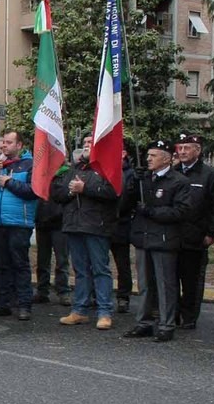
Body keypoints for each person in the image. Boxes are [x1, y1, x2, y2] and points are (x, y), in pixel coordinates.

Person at [123, 139, 192, 343]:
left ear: (167, 158)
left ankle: (166, 324)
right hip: (144, 237)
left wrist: (152, 212)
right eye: (148, 155)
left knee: (165, 285)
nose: (149, 159)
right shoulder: (145, 179)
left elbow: (181, 211)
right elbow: (127, 204)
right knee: (145, 284)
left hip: (164, 239)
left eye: (153, 155)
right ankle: (143, 322)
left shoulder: (178, 181)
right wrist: (132, 184)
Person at [51, 134, 122, 330]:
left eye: (90, 143)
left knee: (100, 269)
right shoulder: (74, 169)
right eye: (84, 144)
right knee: (80, 271)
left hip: (96, 226)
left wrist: (85, 188)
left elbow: (113, 193)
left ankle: (104, 311)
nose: (86, 146)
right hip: (74, 225)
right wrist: (70, 192)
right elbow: (57, 194)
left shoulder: (107, 168)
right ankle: (79, 310)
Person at [172, 130, 214, 329]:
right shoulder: (174, 172)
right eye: (180, 148)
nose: (183, 152)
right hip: (174, 234)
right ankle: (173, 313)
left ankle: (190, 316)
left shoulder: (210, 175)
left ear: (198, 150)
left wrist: (212, 233)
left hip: (196, 235)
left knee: (192, 279)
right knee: (172, 278)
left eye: (187, 148)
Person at [0, 130, 38, 320]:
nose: (3, 146)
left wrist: (9, 182)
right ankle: (3, 303)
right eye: (2, 142)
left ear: (19, 145)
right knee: (1, 265)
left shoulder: (30, 165)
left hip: (19, 222)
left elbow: (33, 191)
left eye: (8, 142)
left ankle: (24, 304)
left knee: (20, 264)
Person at [112, 145, 139, 314]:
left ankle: (123, 297)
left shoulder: (131, 174)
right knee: (98, 264)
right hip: (102, 222)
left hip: (121, 223)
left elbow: (129, 199)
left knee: (122, 264)